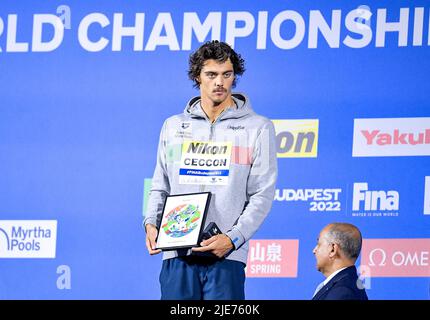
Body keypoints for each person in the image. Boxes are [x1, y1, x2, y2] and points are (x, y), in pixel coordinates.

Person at [143, 40, 278, 300]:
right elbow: (160, 184)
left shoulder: (258, 127)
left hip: (225, 254)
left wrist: (234, 238)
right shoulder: (173, 126)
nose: (220, 82)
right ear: (197, 76)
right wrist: (151, 222)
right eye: (211, 74)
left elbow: (262, 195)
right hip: (178, 253)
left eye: (227, 74)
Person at [312, 222, 368, 300]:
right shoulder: (346, 285)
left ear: (333, 249)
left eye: (319, 244)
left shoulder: (343, 292)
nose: (314, 250)